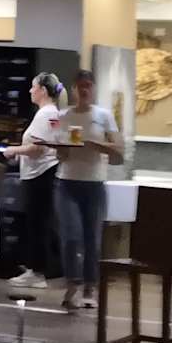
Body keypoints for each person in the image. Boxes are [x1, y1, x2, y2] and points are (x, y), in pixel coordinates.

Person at [51, 69, 125, 311]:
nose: (84, 90)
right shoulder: (61, 116)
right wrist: (60, 148)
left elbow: (118, 148)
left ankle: (90, 287)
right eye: (79, 86)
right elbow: (57, 148)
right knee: (71, 236)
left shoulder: (104, 116)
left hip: (94, 184)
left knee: (92, 238)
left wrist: (96, 144)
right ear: (73, 89)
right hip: (67, 182)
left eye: (88, 86)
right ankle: (72, 283)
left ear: (93, 89)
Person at [0, 72, 66, 291]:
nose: (30, 90)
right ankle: (39, 268)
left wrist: (13, 150)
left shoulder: (45, 114)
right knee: (42, 222)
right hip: (45, 173)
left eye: (33, 86)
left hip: (39, 175)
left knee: (37, 224)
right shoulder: (54, 114)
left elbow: (37, 148)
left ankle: (36, 272)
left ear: (43, 91)